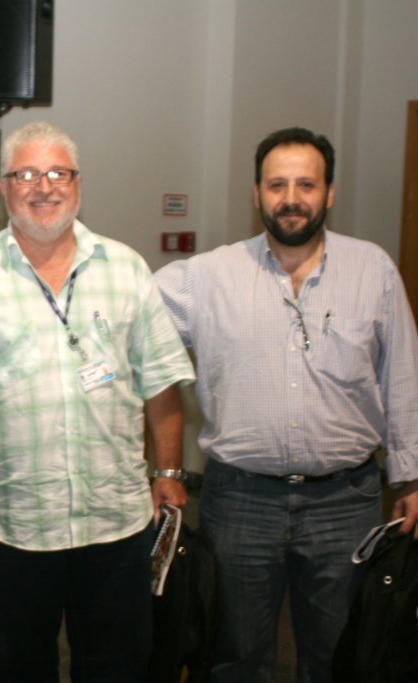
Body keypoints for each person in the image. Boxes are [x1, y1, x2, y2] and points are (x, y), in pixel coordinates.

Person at [0, 120, 196, 682]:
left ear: (78, 183)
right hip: (13, 523)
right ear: (4, 188)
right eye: (25, 174)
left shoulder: (127, 269)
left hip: (114, 523)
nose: (42, 186)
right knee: (22, 667)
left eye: (56, 173)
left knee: (117, 668)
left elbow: (161, 383)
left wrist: (167, 469)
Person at [154, 126, 418, 683]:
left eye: (306, 184)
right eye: (277, 184)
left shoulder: (374, 271)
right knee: (238, 658)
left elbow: (403, 379)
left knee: (339, 655)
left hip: (345, 503)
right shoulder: (206, 278)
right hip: (240, 501)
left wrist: (411, 479)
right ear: (256, 193)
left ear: (330, 192)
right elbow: (126, 315)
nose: (291, 198)